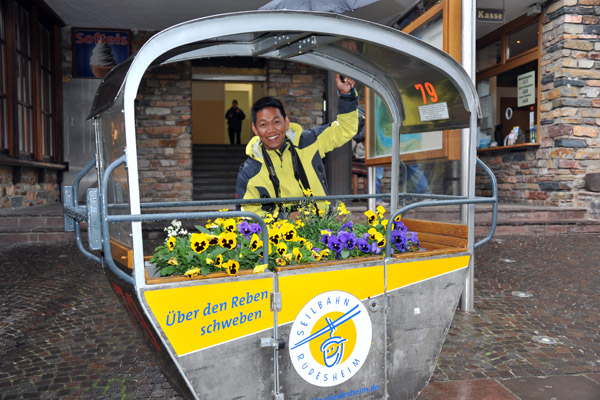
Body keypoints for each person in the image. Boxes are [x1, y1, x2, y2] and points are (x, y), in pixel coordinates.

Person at [236, 74, 358, 216]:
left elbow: (345, 129)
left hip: (321, 231)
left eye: (276, 122)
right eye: (263, 124)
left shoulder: (309, 141)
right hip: (279, 237)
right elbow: (248, 218)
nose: (271, 130)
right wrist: (286, 220)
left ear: (286, 123)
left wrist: (346, 95)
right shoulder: (249, 171)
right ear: (255, 129)